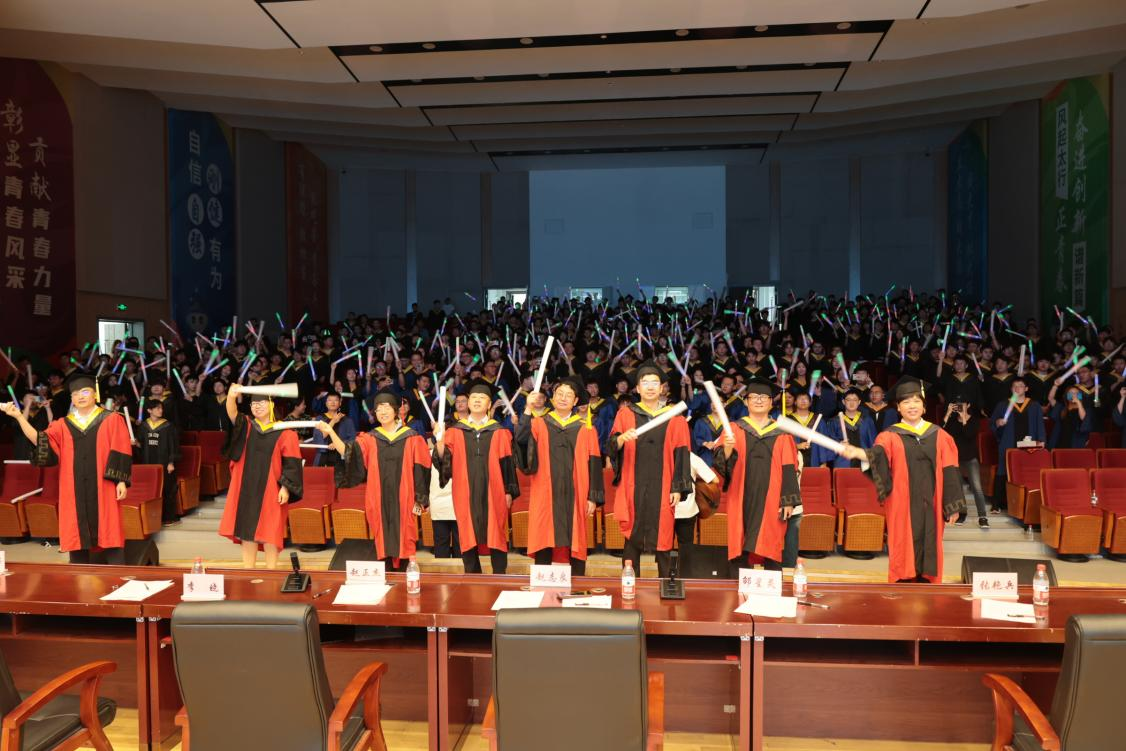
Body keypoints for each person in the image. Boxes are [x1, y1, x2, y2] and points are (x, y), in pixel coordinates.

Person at [839, 378, 964, 583]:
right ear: (898, 407)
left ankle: (928, 587)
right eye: (906, 402)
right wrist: (858, 453)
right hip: (902, 504)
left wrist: (953, 505)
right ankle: (901, 587)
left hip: (932, 505)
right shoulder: (889, 436)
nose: (911, 406)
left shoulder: (940, 435)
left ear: (924, 407)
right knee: (902, 548)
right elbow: (877, 455)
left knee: (931, 549)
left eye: (916, 401)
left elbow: (950, 470)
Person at [2, 375, 131, 563]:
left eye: (85, 392)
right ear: (71, 399)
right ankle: (78, 574)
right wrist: (19, 417)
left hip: (103, 484)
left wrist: (121, 481)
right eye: (75, 394)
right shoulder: (63, 424)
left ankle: (119, 574)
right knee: (75, 532)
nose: (80, 396)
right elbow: (40, 440)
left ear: (95, 395)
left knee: (109, 528)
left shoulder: (112, 419)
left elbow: (121, 448)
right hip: (73, 486)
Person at [321, 389, 430, 570]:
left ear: (396, 410)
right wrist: (331, 432)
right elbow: (348, 452)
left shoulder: (412, 438)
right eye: (378, 409)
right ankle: (386, 578)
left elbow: (422, 468)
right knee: (381, 539)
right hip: (377, 498)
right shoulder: (370, 438)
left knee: (406, 538)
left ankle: (407, 577)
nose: (382, 412)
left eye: (386, 407)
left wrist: (420, 499)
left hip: (404, 498)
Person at [608, 362, 692, 578]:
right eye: (645, 383)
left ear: (662, 388)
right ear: (637, 388)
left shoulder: (674, 417)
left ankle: (666, 583)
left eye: (655, 382)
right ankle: (630, 583)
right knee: (632, 533)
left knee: (664, 534)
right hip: (633, 483)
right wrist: (621, 439)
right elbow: (611, 445)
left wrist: (678, 487)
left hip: (663, 484)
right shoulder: (626, 414)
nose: (650, 387)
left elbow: (682, 453)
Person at [514, 376, 604, 576]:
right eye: (559, 394)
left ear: (575, 401)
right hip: (545, 491)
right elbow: (520, 439)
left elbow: (595, 463)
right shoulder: (539, 424)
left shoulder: (585, 428)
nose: (563, 398)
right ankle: (543, 584)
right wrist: (528, 409)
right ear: (552, 398)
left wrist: (593, 497)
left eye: (568, 395)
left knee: (575, 537)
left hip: (576, 492)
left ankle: (577, 586)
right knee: (544, 534)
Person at [713, 378, 801, 573]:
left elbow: (789, 467)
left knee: (771, 541)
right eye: (754, 397)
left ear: (771, 402)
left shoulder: (782, 433)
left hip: (772, 497)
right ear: (746, 402)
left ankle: (772, 588)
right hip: (741, 494)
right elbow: (720, 465)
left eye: (764, 397)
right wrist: (727, 449)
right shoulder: (734, 429)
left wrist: (788, 500)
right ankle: (740, 585)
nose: (759, 400)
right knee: (740, 540)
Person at [434, 381, 520, 574]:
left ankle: (499, 575)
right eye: (474, 397)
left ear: (489, 404)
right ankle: (472, 576)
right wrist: (439, 441)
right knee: (467, 531)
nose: (477, 400)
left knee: (496, 530)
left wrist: (509, 491)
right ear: (468, 402)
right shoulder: (455, 431)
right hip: (465, 491)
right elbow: (444, 462)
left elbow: (508, 464)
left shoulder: (499, 431)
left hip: (494, 491)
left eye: (482, 398)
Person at [218, 384, 304, 569]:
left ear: (271, 405)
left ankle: (271, 571)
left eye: (262, 403)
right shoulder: (247, 427)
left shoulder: (285, 432)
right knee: (247, 529)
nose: (257, 406)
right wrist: (231, 396)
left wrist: (285, 487)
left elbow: (292, 464)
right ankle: (248, 570)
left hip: (271, 488)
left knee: (270, 530)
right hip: (246, 487)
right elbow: (232, 413)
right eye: (254, 404)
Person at [991, 377, 1046, 512]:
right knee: (1003, 471)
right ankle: (997, 504)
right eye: (1014, 386)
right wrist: (998, 423)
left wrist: (1041, 439)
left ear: (1026, 388)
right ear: (1011, 389)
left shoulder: (1034, 405)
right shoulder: (1003, 405)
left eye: (1020, 386)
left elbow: (1040, 423)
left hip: (1029, 444)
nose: (1017, 388)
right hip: (1008, 442)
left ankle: (1022, 506)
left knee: (1025, 473)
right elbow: (993, 423)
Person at [942, 401, 989, 528]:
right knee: (958, 487)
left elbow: (969, 434)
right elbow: (941, 432)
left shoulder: (974, 420)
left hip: (971, 457)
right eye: (957, 404)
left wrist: (963, 418)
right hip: (955, 458)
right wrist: (948, 413)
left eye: (962, 404)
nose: (959, 407)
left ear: (968, 405)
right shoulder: (952, 421)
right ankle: (962, 513)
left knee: (977, 487)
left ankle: (982, 516)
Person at [136, 399, 182, 526]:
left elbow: (174, 446)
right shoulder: (144, 426)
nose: (161, 410)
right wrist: (135, 443)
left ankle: (168, 517)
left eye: (161, 408)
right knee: (151, 491)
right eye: (157, 408)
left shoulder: (168, 426)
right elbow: (141, 445)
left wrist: (171, 462)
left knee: (167, 489)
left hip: (164, 463)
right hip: (148, 464)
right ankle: (153, 519)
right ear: (149, 410)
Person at [811, 388, 875, 468]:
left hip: (864, 463)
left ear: (859, 402)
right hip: (842, 462)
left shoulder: (867, 421)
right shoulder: (834, 421)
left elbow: (872, 442)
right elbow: (829, 443)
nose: (852, 403)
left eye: (855, 400)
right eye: (848, 400)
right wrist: (839, 445)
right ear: (843, 402)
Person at [1047, 381, 1093, 449]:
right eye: (1071, 393)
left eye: (1076, 393)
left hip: (1076, 441)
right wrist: (1055, 386)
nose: (1074, 395)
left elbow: (1084, 418)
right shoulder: (1062, 408)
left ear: (1080, 395)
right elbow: (1050, 398)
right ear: (1067, 396)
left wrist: (1078, 402)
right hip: (1061, 438)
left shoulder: (1085, 409)